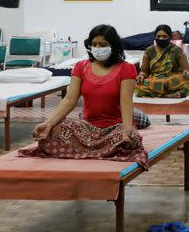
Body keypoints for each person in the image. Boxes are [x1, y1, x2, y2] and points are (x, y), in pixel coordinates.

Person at [19, 25, 148, 167]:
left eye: (103, 44)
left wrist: (127, 130)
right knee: (54, 132)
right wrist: (49, 123)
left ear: (113, 46)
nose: (98, 48)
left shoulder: (126, 68)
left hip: (115, 128)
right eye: (94, 44)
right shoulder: (81, 67)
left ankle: (85, 151)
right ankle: (102, 152)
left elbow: (126, 103)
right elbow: (69, 100)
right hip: (87, 128)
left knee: (130, 140)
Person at [135, 24, 189, 98]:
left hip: (172, 79)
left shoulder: (177, 50)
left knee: (188, 81)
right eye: (158, 36)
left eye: (164, 36)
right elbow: (144, 71)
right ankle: (169, 94)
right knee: (139, 85)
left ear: (170, 37)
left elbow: (188, 69)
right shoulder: (149, 50)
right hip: (155, 80)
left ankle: (161, 94)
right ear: (155, 37)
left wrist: (187, 72)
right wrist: (141, 75)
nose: (161, 38)